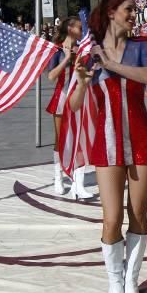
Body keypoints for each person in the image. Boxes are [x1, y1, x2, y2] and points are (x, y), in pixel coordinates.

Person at [69, 0, 147, 293]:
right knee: (111, 219)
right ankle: (115, 282)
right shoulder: (89, 53)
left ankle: (132, 282)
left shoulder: (141, 46)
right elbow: (74, 105)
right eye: (127, 9)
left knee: (138, 214)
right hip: (106, 142)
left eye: (134, 10)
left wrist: (112, 65)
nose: (133, 15)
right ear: (111, 12)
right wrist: (82, 81)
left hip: (141, 138)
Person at [46, 16, 93, 198]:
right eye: (79, 27)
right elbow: (51, 76)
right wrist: (66, 59)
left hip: (78, 97)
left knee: (79, 138)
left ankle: (77, 184)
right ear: (70, 28)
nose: (82, 30)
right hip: (61, 97)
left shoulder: (82, 49)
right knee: (60, 139)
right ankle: (58, 177)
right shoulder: (57, 49)